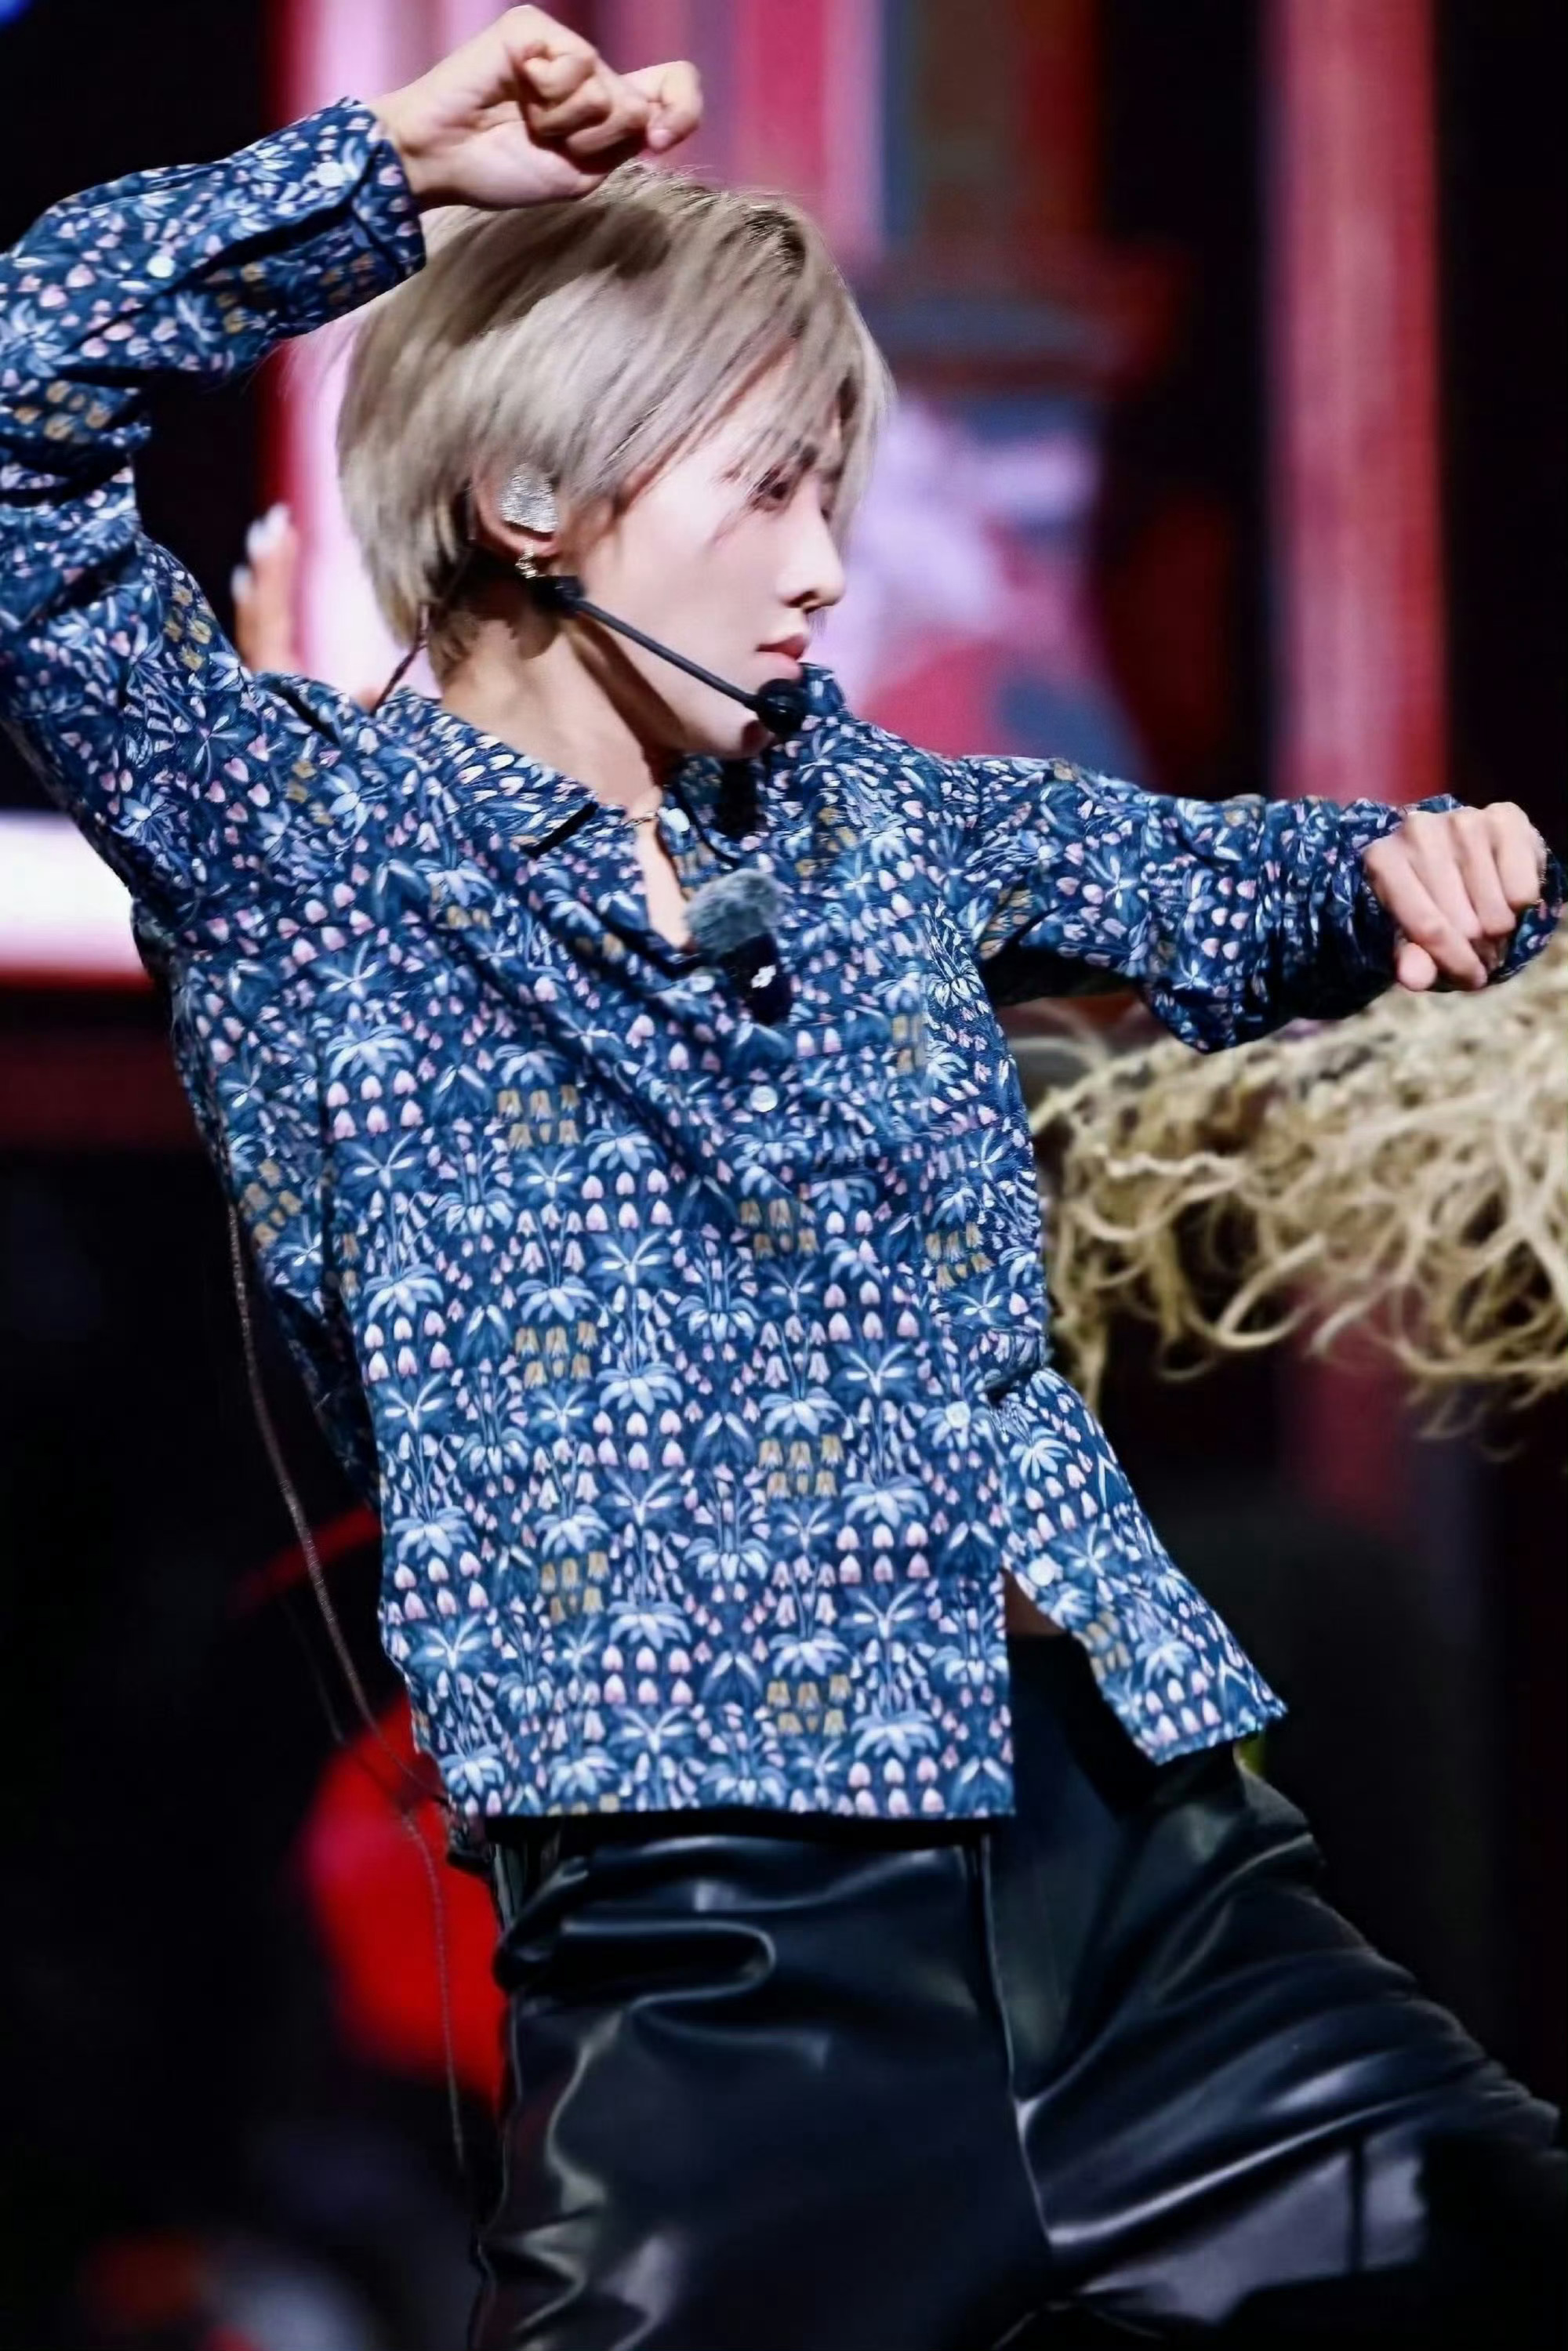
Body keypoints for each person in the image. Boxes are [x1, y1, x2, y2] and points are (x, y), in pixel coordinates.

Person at [1, 12, 1561, 2346]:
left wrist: (1426, 871)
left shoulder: (868, 821)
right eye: (767, 494)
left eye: (841, 495)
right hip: (729, 1971)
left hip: (1153, 1904)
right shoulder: (309, 848)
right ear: (532, 503)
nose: (828, 571)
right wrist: (382, 179)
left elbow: (1234, 881)